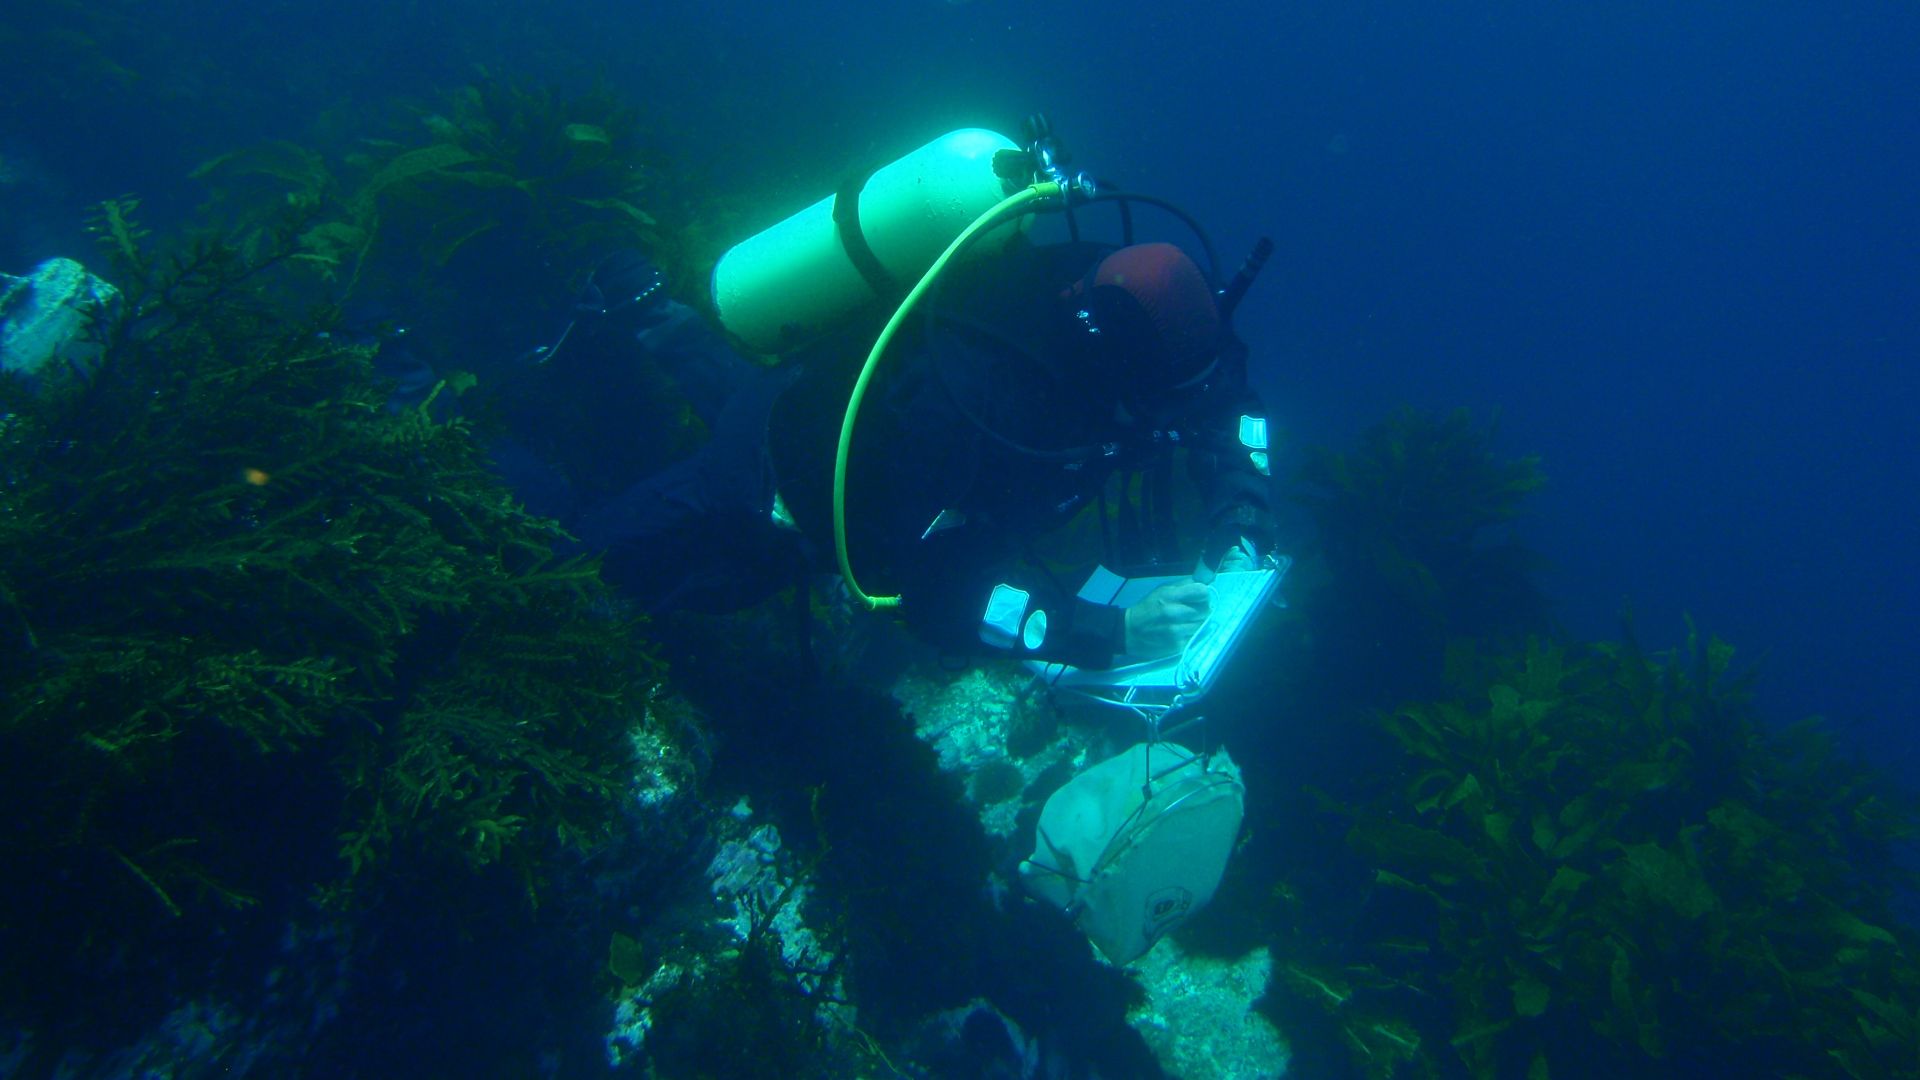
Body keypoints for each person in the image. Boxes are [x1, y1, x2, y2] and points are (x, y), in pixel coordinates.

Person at [491, 233, 1277, 670]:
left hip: (826, 394)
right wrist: (1107, 636)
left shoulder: (1125, 296)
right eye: (1165, 400)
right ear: (1109, 363)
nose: (1181, 414)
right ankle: (455, 437)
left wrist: (1243, 504)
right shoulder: (971, 398)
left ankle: (654, 313)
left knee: (750, 392)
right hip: (782, 477)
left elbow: (1227, 395)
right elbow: (928, 591)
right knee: (579, 569)